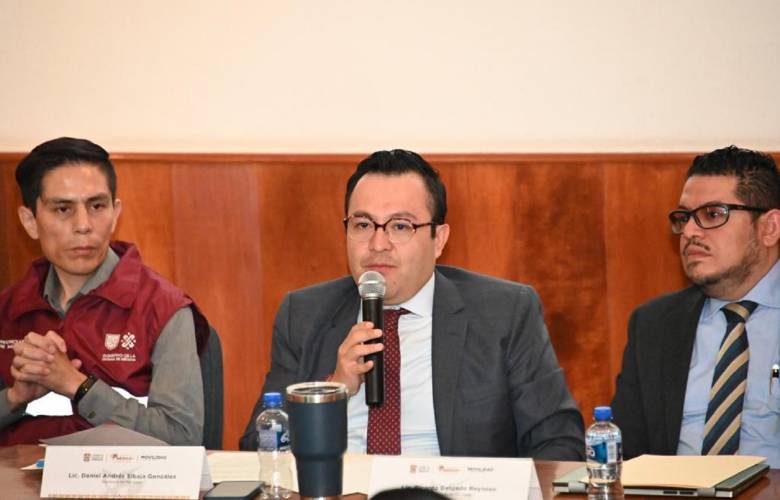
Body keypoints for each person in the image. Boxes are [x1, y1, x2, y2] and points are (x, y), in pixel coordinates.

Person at [240, 149, 584, 459]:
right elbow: (260, 445)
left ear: (439, 239)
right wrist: (333, 391)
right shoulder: (302, 315)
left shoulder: (505, 312)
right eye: (363, 224)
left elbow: (559, 443)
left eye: (400, 226)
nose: (378, 244)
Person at [0, 137, 209, 445]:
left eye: (96, 206)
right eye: (63, 209)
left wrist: (79, 386)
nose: (83, 225)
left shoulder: (163, 309)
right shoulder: (8, 309)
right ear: (30, 221)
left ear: (115, 214)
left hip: (126, 476)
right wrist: (15, 398)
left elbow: (182, 438)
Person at [611, 146, 780, 467]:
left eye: (713, 214)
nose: (689, 231)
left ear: (769, 227)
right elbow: (627, 457)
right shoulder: (654, 324)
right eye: (684, 217)